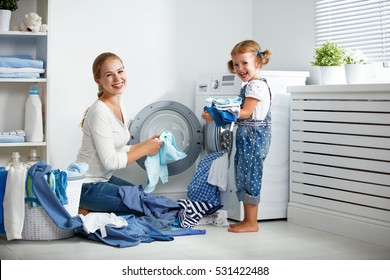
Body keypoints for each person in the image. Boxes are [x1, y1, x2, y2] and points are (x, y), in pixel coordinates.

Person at [77, 52, 162, 215]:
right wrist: (145, 150)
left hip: (104, 180)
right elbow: (111, 162)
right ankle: (84, 212)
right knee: (146, 207)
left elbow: (118, 149)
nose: (117, 78)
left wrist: (147, 143)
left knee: (146, 199)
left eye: (120, 71)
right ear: (98, 80)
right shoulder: (99, 112)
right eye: (109, 75)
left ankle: (91, 212)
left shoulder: (120, 106)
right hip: (86, 186)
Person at [202, 40, 272, 233]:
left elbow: (245, 113)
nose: (240, 68)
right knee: (243, 175)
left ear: (258, 62)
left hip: (254, 136)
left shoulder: (255, 86)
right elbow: (241, 113)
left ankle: (252, 223)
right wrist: (217, 114)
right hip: (248, 135)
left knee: (250, 177)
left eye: (244, 63)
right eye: (236, 64)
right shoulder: (250, 85)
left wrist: (217, 114)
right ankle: (248, 220)